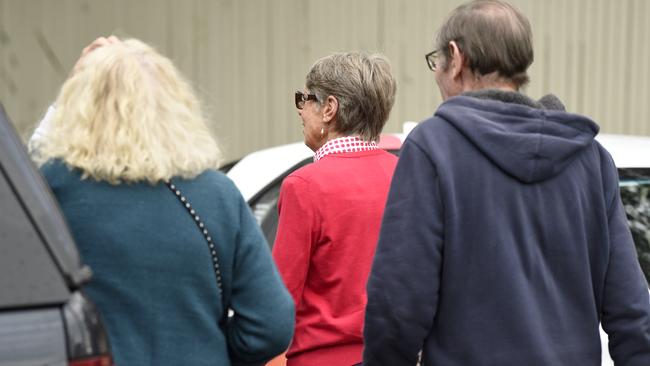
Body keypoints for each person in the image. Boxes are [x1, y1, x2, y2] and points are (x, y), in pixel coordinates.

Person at [363, 1, 650, 365]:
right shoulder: (590, 160)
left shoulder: (433, 148)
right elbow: (631, 312)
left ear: (457, 57)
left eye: (436, 61)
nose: (436, 73)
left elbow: (397, 306)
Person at [30, 36, 294, 366]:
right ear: (173, 107)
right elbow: (272, 325)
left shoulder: (54, 186)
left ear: (78, 109)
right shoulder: (216, 194)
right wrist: (209, 347)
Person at [272, 51, 397, 366]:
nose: (301, 110)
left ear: (329, 108)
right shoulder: (406, 174)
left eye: (306, 98)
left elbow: (280, 298)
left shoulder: (304, 185)